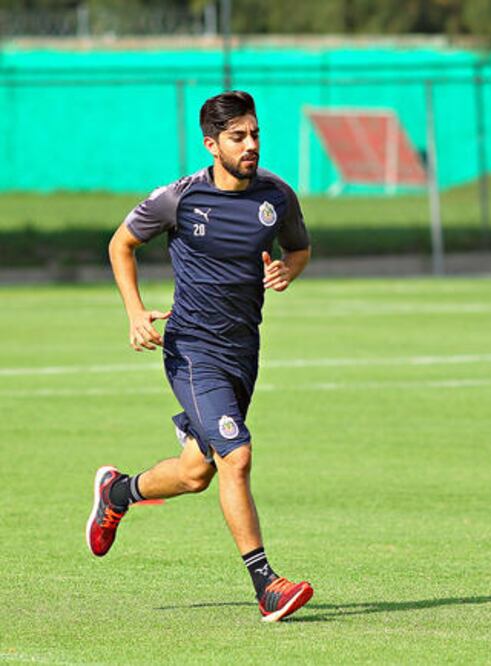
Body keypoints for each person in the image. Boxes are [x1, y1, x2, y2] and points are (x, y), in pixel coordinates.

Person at [87, 90, 314, 622]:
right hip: (193, 350)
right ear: (212, 145)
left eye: (255, 134)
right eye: (238, 137)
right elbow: (121, 244)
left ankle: (117, 492)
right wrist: (135, 312)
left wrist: (289, 269)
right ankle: (267, 585)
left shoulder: (277, 196)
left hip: (243, 351)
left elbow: (299, 248)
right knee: (237, 456)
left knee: (196, 473)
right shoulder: (180, 199)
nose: (250, 145)